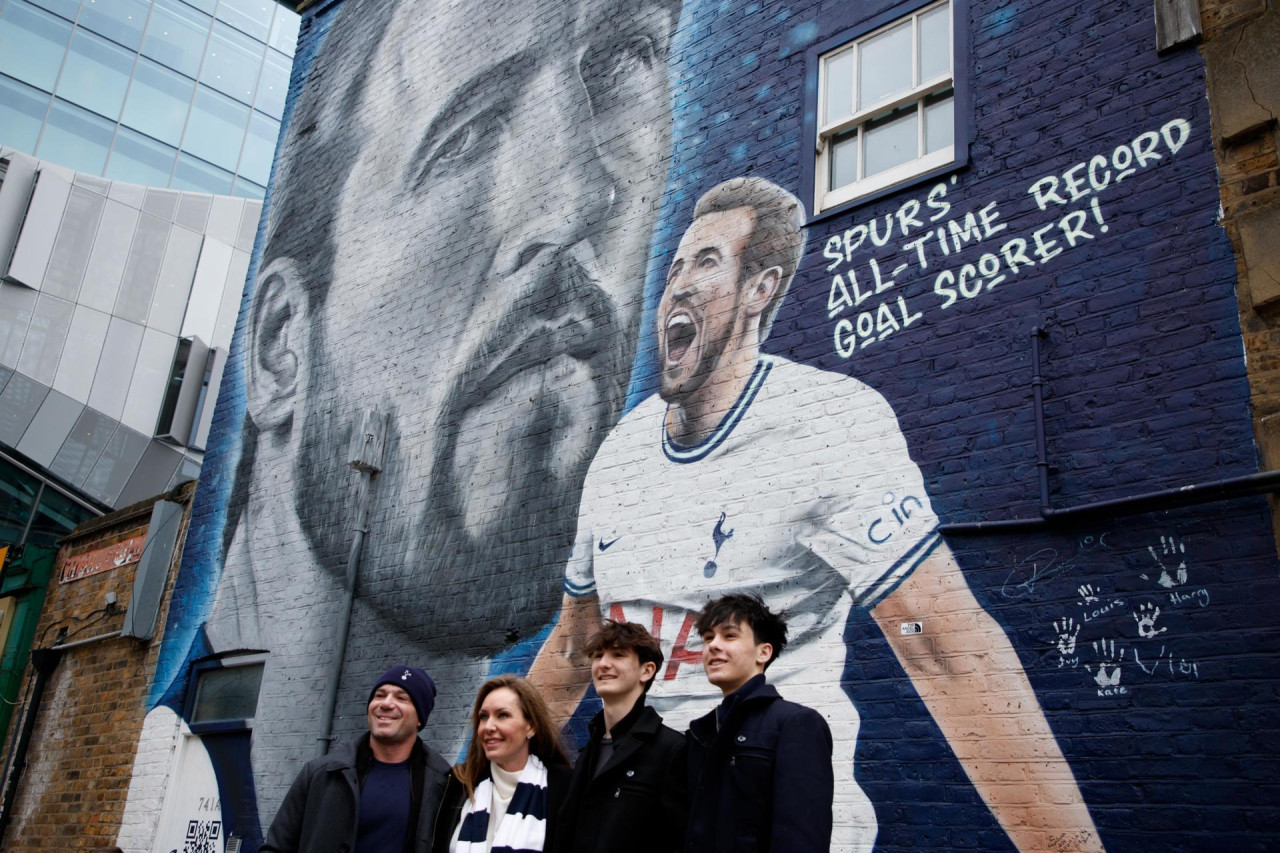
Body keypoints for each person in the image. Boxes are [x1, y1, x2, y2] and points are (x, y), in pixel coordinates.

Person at [181, 0, 685, 824]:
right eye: (473, 132)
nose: (585, 196)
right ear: (281, 346)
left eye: (616, 71)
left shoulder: (500, 802)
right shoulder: (193, 789)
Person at [531, 177, 1106, 852]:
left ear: (759, 289)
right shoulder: (623, 450)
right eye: (677, 265)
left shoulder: (830, 424)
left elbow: (945, 648)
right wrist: (474, 779)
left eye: (708, 262)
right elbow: (574, 649)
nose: (679, 283)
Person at [684, 595, 832, 853]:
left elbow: (801, 838)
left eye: (729, 636)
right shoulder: (700, 733)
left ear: (763, 652)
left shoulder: (795, 723)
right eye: (708, 638)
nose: (713, 646)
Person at [261, 666, 451, 853]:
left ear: (420, 718)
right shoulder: (321, 774)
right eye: (379, 695)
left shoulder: (443, 783)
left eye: (402, 698)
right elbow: (276, 847)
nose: (386, 703)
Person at [552, 621, 687, 853]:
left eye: (618, 655)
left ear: (647, 670)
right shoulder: (587, 752)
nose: (603, 664)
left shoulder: (672, 749)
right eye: (598, 656)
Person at [436, 676, 572, 853]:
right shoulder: (459, 784)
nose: (488, 726)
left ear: (531, 726)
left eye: (502, 715)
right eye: (483, 717)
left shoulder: (563, 786)